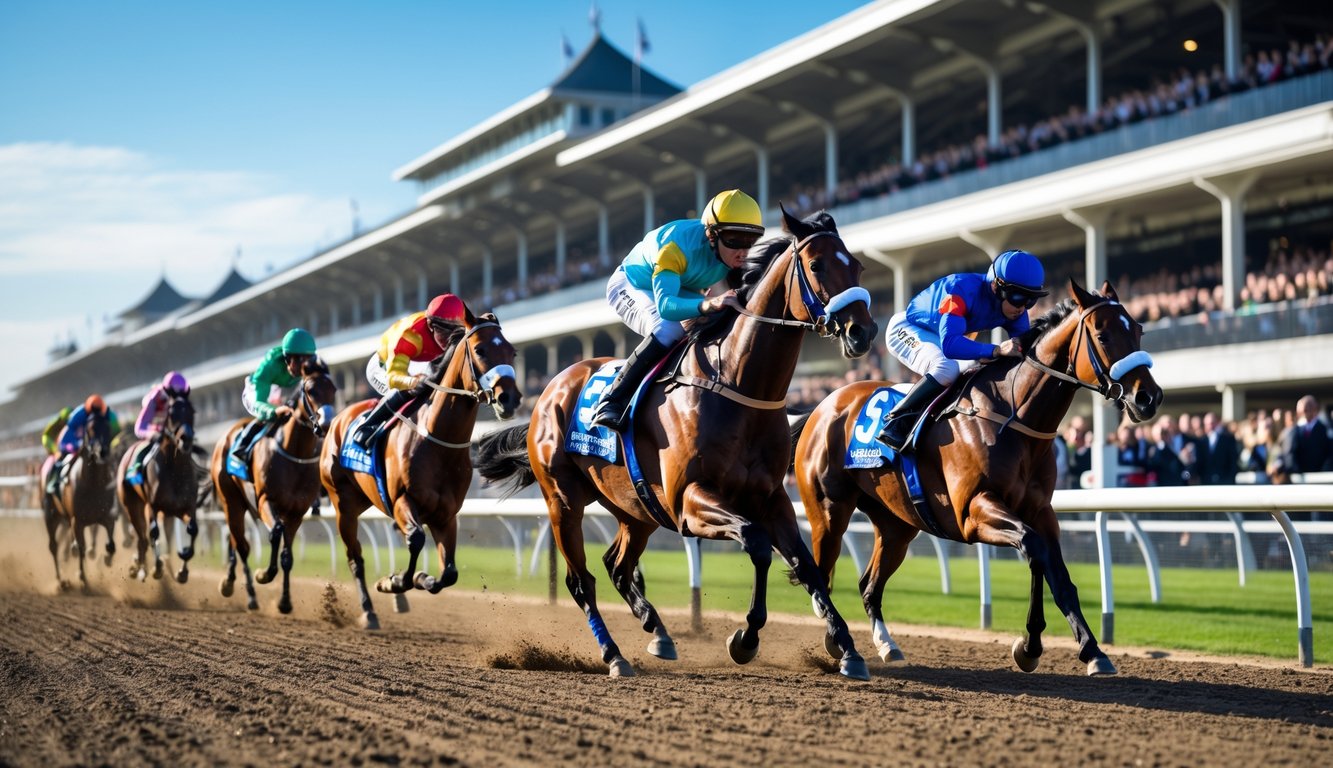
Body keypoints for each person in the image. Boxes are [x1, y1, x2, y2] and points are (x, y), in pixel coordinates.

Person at [588, 189, 761, 432]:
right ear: (712, 235)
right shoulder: (676, 247)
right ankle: (612, 400)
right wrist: (707, 304)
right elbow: (667, 307)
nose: (743, 251)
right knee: (668, 329)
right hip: (634, 284)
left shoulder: (733, 256)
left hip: (681, 286)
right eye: (735, 240)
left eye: (750, 240)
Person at [877, 249, 1048, 453]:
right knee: (946, 368)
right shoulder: (960, 289)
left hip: (945, 336)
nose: (1022, 307)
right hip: (908, 328)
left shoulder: (1016, 310)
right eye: (1019, 297)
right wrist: (995, 350)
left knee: (980, 370)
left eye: (1031, 300)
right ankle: (897, 421)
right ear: (996, 286)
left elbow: (1022, 354)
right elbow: (950, 346)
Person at [349, 294, 466, 448]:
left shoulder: (459, 330)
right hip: (384, 368)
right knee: (404, 391)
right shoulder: (409, 336)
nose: (449, 339)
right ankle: (366, 428)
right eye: (444, 333)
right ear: (431, 325)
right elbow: (394, 377)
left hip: (418, 363)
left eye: (455, 332)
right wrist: (413, 382)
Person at [232, 328, 319, 464]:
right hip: (259, 392)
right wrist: (273, 411)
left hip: (286, 391)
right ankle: (242, 447)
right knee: (270, 417)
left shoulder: (312, 366)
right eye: (298, 360)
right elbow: (258, 402)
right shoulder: (270, 365)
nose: (303, 366)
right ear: (287, 358)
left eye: (307, 360)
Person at [48, 394, 121, 494]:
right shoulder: (78, 415)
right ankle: (55, 480)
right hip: (72, 442)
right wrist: (77, 445)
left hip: (95, 443)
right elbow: (65, 440)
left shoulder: (109, 415)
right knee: (62, 456)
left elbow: (116, 433)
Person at [128, 371, 192, 476]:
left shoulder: (178, 402)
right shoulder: (154, 399)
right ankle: (135, 470)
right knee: (143, 450)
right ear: (167, 391)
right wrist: (152, 434)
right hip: (154, 436)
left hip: (171, 435)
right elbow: (139, 427)